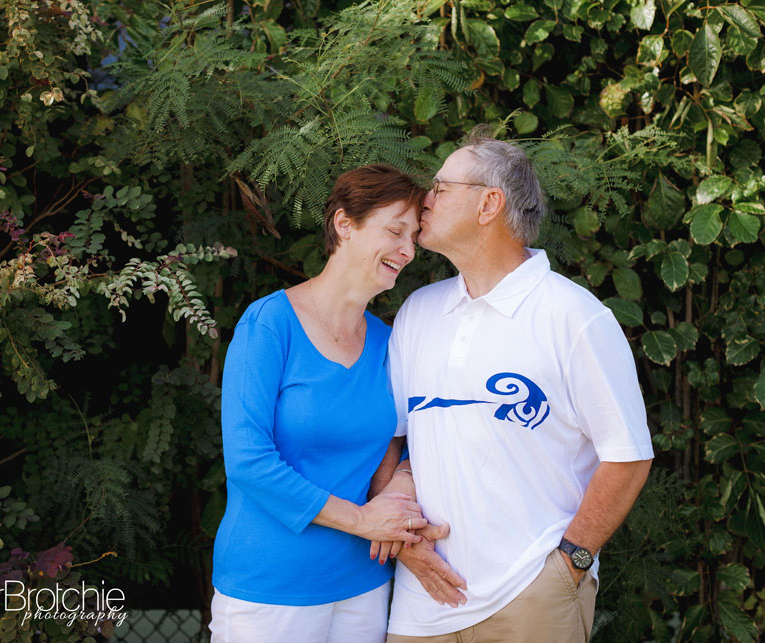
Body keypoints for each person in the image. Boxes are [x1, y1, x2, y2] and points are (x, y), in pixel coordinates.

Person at [384, 127, 654, 643]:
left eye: (441, 187)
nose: (426, 199)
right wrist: (402, 525)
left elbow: (629, 455)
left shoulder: (574, 316)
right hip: (422, 605)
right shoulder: (418, 312)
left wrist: (569, 564)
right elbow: (398, 437)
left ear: (489, 203)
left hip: (531, 601)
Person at [209, 164, 430, 643]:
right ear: (344, 224)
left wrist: (401, 484)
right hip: (270, 588)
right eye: (395, 231)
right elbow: (248, 462)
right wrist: (363, 520)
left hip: (364, 584)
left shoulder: (390, 343)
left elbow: (418, 434)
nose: (408, 251)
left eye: (414, 237)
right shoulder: (269, 324)